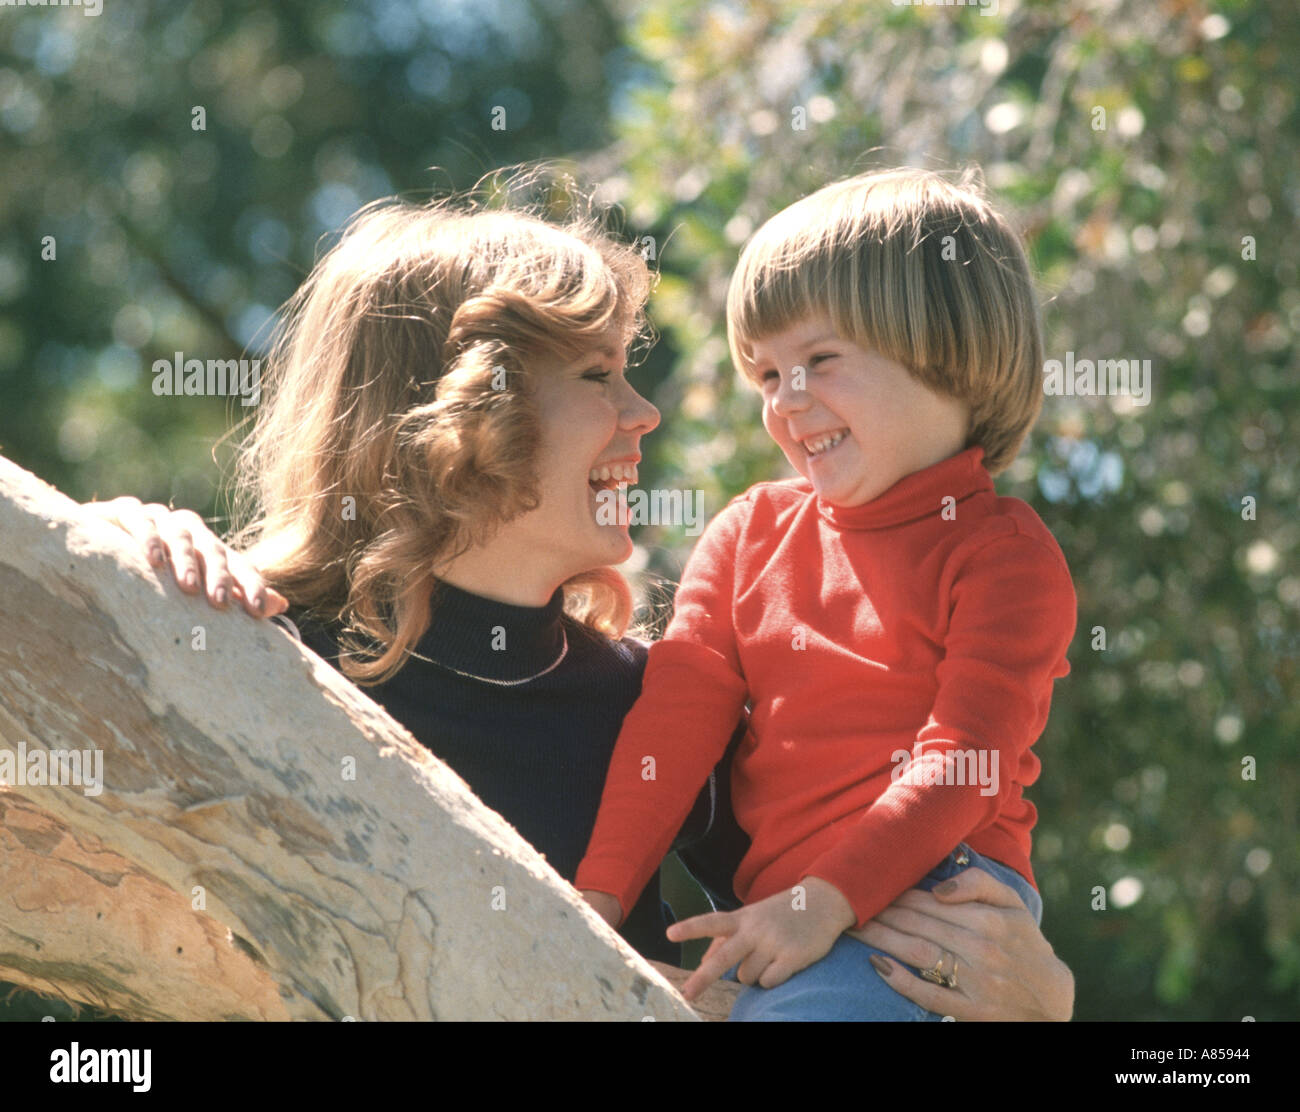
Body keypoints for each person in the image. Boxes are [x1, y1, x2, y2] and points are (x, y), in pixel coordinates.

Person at [89, 170, 1075, 1019]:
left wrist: (1045, 1000)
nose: (645, 414)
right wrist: (110, 547)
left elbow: (851, 910)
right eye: (600, 374)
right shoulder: (254, 638)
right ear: (465, 411)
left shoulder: (640, 705)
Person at [575, 167, 1077, 1021]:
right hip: (789, 923)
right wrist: (596, 905)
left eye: (820, 361)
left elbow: (965, 760)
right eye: (767, 376)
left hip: (933, 909)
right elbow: (674, 726)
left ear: (947, 352)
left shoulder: (1001, 554)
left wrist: (825, 901)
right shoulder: (747, 534)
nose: (788, 403)